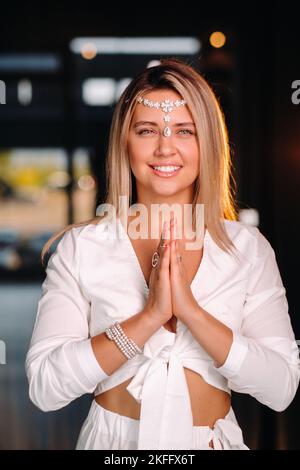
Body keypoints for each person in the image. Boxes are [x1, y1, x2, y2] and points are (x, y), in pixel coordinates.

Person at [25, 59, 300, 450]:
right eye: (147, 130)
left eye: (184, 131)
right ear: (125, 142)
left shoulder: (248, 250)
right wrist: (149, 317)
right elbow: (45, 387)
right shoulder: (82, 248)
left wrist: (191, 312)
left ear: (207, 143)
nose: (165, 146)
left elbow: (281, 386)